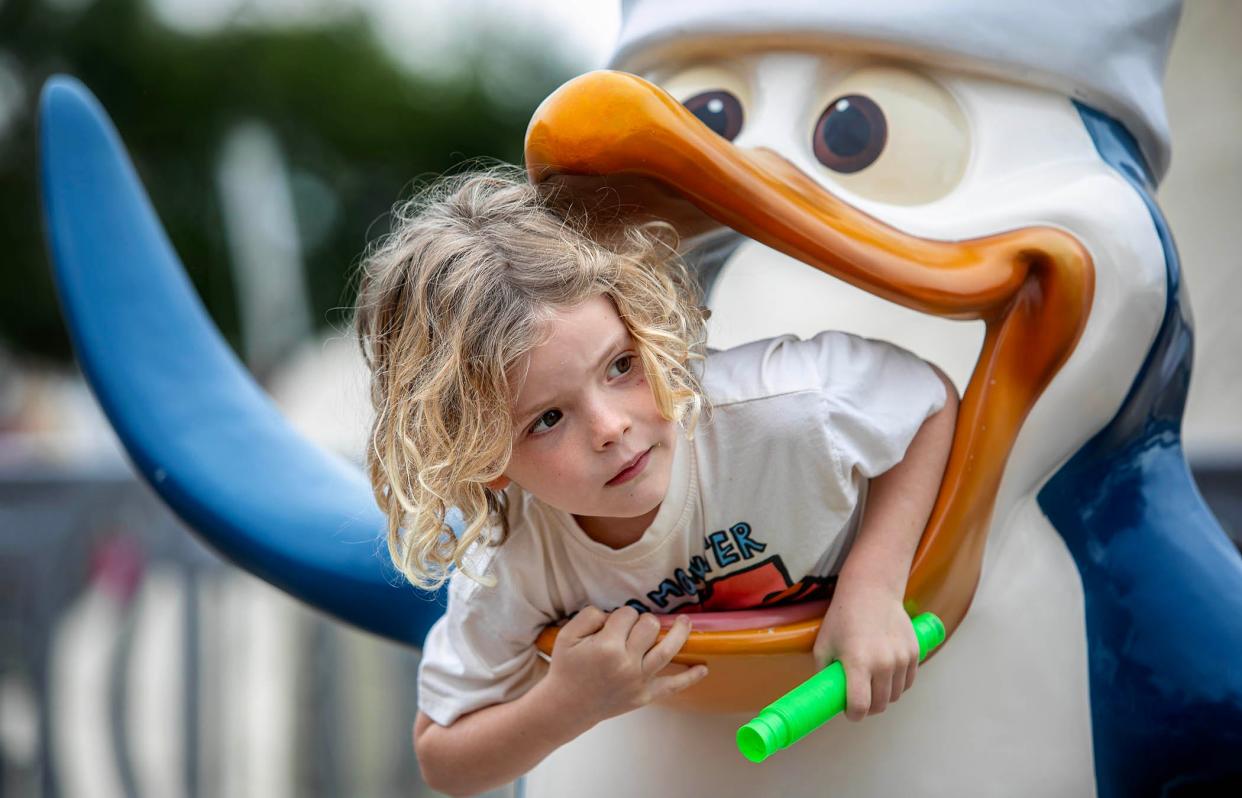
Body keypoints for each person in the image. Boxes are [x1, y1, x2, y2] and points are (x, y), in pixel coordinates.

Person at [354, 165, 957, 795]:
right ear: (485, 459)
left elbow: (929, 403)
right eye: (548, 418)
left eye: (620, 365)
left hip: (902, 722)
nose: (610, 427)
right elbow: (443, 759)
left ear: (647, 326)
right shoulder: (518, 561)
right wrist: (566, 703)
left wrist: (874, 584)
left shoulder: (787, 410)